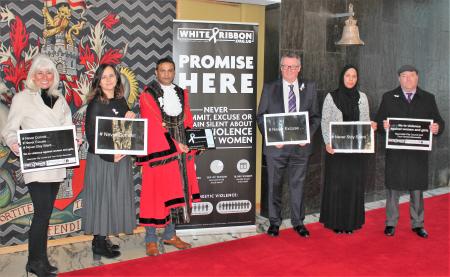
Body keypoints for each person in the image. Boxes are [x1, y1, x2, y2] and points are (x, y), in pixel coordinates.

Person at [1, 54, 72, 277]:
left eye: (48, 72)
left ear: (54, 76)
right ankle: (35, 261)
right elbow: (9, 130)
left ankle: (39, 259)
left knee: (46, 212)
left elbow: (67, 127)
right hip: (36, 164)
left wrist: (73, 140)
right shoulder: (22, 98)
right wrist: (15, 145)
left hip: (56, 165)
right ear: (33, 75)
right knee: (42, 212)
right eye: (40, 72)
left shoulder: (60, 100)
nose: (44, 76)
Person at [137, 57, 200, 256]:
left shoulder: (181, 93)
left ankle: (170, 234)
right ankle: (150, 239)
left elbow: (188, 120)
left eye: (170, 70)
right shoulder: (148, 95)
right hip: (159, 153)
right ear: (156, 72)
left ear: (174, 72)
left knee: (176, 193)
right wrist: (175, 145)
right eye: (162, 70)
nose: (166, 74)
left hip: (180, 153)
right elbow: (153, 124)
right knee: (154, 195)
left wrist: (195, 142)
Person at [375, 65, 445, 238]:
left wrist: (437, 128)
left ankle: (418, 224)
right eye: (404, 76)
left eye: (411, 76)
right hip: (396, 153)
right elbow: (378, 122)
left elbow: (439, 122)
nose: (408, 79)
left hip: (417, 153)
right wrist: (383, 127)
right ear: (399, 78)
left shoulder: (428, 98)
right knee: (393, 189)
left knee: (417, 189)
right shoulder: (389, 97)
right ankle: (390, 223)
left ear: (417, 77)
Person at [256, 53, 320, 237]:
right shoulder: (270, 88)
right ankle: (274, 222)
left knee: (298, 186)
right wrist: (272, 137)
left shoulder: (309, 87)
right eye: (285, 66)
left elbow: (315, 116)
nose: (288, 70)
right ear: (281, 68)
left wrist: (306, 135)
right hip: (276, 149)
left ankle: (298, 222)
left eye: (292, 67)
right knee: (274, 186)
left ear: (299, 68)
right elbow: (260, 116)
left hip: (301, 148)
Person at [83, 64, 137, 259]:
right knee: (102, 198)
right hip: (102, 160)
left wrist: (131, 116)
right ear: (98, 80)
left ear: (117, 78)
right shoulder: (96, 103)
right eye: (104, 76)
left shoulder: (121, 101)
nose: (108, 79)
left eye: (111, 75)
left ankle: (103, 238)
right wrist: (109, 156)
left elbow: (127, 127)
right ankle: (97, 243)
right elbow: (91, 135)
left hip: (120, 158)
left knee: (111, 198)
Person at [319, 65, 376, 234]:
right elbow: (325, 121)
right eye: (347, 76)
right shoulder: (331, 97)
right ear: (342, 77)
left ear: (357, 79)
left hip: (355, 151)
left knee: (353, 186)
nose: (351, 79)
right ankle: (336, 222)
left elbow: (365, 120)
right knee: (337, 186)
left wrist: (371, 127)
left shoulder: (362, 97)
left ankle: (351, 222)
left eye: (354, 76)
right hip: (336, 151)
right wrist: (328, 143)